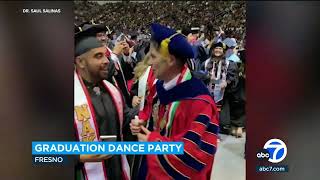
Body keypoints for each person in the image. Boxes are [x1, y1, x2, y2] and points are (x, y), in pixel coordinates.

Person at [130, 23, 219, 180]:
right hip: (152, 167)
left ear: (170, 60)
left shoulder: (199, 102)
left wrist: (153, 142)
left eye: (153, 56)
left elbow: (195, 154)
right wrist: (143, 121)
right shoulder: (160, 86)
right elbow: (151, 111)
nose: (148, 63)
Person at [74, 36, 138, 180]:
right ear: (80, 62)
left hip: (117, 172)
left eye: (105, 55)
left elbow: (125, 118)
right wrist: (78, 157)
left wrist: (142, 116)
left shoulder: (111, 90)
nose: (106, 61)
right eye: (98, 56)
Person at [202, 41, 240, 137]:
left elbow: (232, 77)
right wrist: (207, 77)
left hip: (221, 93)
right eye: (216, 48)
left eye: (220, 49)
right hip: (208, 91)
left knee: (217, 113)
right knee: (206, 112)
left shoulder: (228, 63)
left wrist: (226, 82)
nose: (218, 50)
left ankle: (214, 133)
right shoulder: (206, 63)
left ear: (223, 51)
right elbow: (200, 76)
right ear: (213, 50)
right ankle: (206, 131)